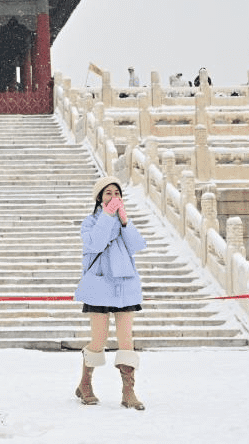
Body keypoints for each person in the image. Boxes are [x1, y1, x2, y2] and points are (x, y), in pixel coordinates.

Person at [73, 176, 147, 410]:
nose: (114, 197)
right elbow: (94, 244)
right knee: (99, 339)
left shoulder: (124, 222)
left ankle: (128, 391)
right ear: (99, 198)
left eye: (117, 193)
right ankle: (85, 384)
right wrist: (107, 216)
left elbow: (137, 246)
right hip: (100, 285)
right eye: (108, 193)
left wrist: (125, 222)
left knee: (127, 340)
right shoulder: (90, 222)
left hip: (125, 285)